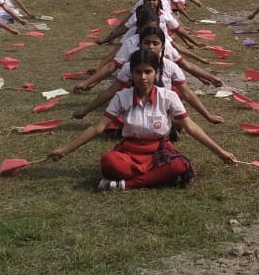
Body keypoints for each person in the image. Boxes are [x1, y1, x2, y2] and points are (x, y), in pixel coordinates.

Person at [47, 48, 236, 190]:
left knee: (178, 165)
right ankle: (150, 178)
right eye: (138, 72)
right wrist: (64, 150)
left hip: (159, 152)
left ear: (156, 72)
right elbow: (98, 127)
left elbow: (191, 127)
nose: (143, 77)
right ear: (132, 73)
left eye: (148, 72)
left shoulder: (168, 97)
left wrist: (221, 152)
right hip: (129, 151)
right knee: (109, 161)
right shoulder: (122, 97)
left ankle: (126, 184)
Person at [72, 25, 223, 124]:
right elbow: (111, 91)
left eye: (155, 43)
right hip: (138, 108)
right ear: (140, 44)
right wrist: (85, 110)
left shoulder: (170, 66)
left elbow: (187, 93)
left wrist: (207, 115)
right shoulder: (129, 66)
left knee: (176, 120)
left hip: (161, 108)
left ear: (163, 46)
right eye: (147, 43)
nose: (150, 47)